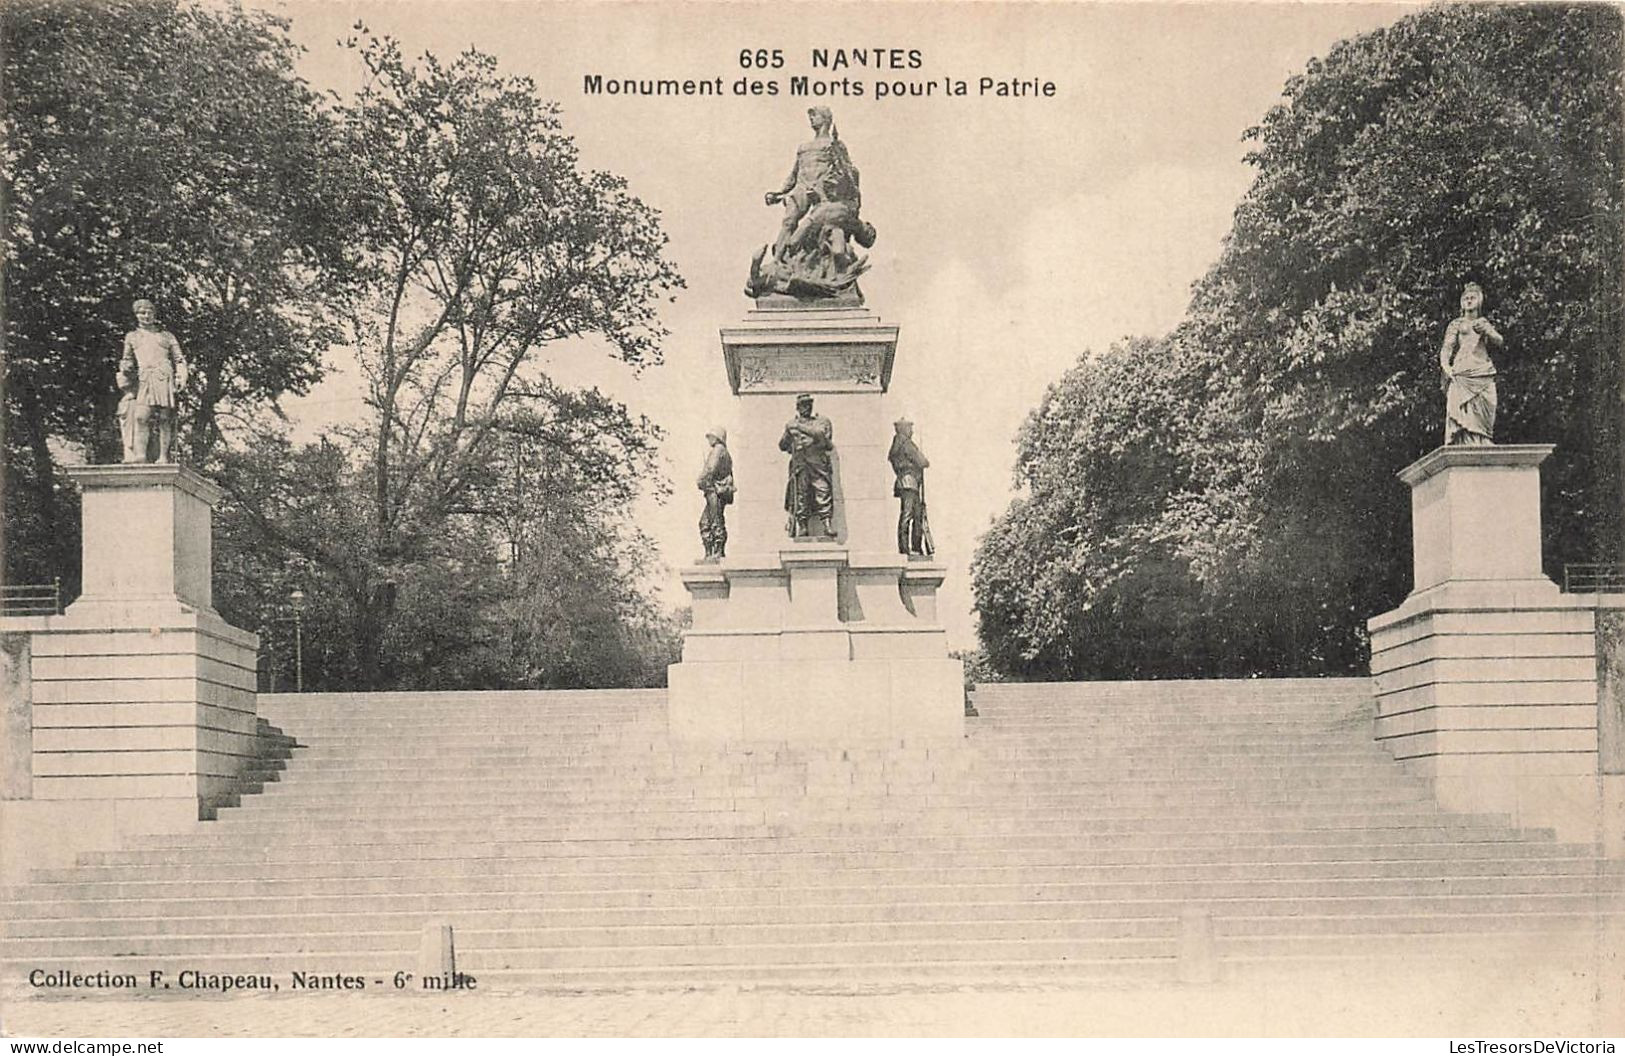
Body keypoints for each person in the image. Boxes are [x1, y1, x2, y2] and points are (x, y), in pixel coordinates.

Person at [119, 298, 188, 462]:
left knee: (164, 418)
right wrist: (126, 367)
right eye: (142, 312)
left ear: (154, 314)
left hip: (164, 376)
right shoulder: (132, 337)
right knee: (141, 416)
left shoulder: (166, 336)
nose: (146, 315)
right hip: (145, 377)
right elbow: (127, 358)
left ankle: (163, 456)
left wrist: (181, 375)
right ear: (136, 315)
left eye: (149, 312)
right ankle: (140, 455)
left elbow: (179, 359)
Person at [1439, 282, 1503, 446]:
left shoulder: (1483, 323)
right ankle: (1464, 441)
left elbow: (1499, 340)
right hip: (1462, 372)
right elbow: (1447, 348)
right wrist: (1446, 367)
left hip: (1483, 370)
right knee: (1461, 409)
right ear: (1462, 302)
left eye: (1472, 298)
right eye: (1466, 298)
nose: (1469, 301)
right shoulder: (1457, 324)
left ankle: (1483, 439)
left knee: (1489, 403)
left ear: (1479, 301)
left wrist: (1487, 330)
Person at [779, 394, 835, 539]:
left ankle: (827, 525)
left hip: (819, 465)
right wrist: (788, 433)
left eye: (808, 404)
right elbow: (782, 445)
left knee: (823, 492)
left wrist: (799, 427)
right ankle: (802, 527)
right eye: (803, 405)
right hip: (800, 464)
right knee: (801, 496)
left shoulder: (821, 421)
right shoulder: (791, 424)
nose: (806, 407)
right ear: (798, 408)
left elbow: (823, 437)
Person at [888, 419, 933, 557]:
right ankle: (912, 547)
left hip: (906, 482)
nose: (912, 431)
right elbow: (923, 461)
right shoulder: (905, 443)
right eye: (909, 428)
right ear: (903, 429)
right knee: (911, 515)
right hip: (910, 482)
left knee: (911, 515)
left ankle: (909, 547)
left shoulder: (897, 445)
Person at [697, 426, 734, 562]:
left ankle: (716, 552)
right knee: (707, 522)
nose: (709, 439)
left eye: (711, 436)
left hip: (715, 491)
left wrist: (700, 479)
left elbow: (710, 469)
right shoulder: (723, 451)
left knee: (712, 521)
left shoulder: (718, 450)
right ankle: (711, 552)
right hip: (715, 491)